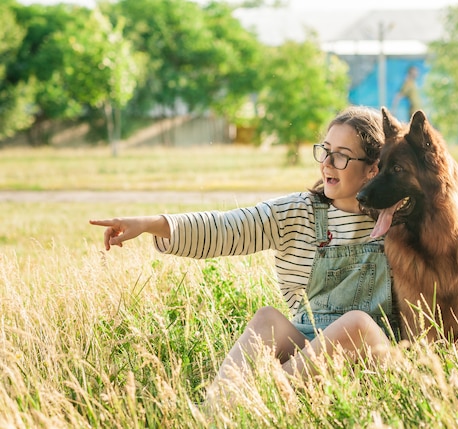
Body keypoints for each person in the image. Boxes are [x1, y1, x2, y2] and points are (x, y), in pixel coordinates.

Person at [89, 105, 397, 396]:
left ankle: (264, 399)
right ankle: (218, 413)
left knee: (356, 323)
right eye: (325, 151)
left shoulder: (400, 221)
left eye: (341, 156)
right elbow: (225, 228)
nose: (326, 164)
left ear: (373, 169)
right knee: (266, 318)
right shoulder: (297, 213)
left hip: (370, 356)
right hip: (305, 347)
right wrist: (147, 224)